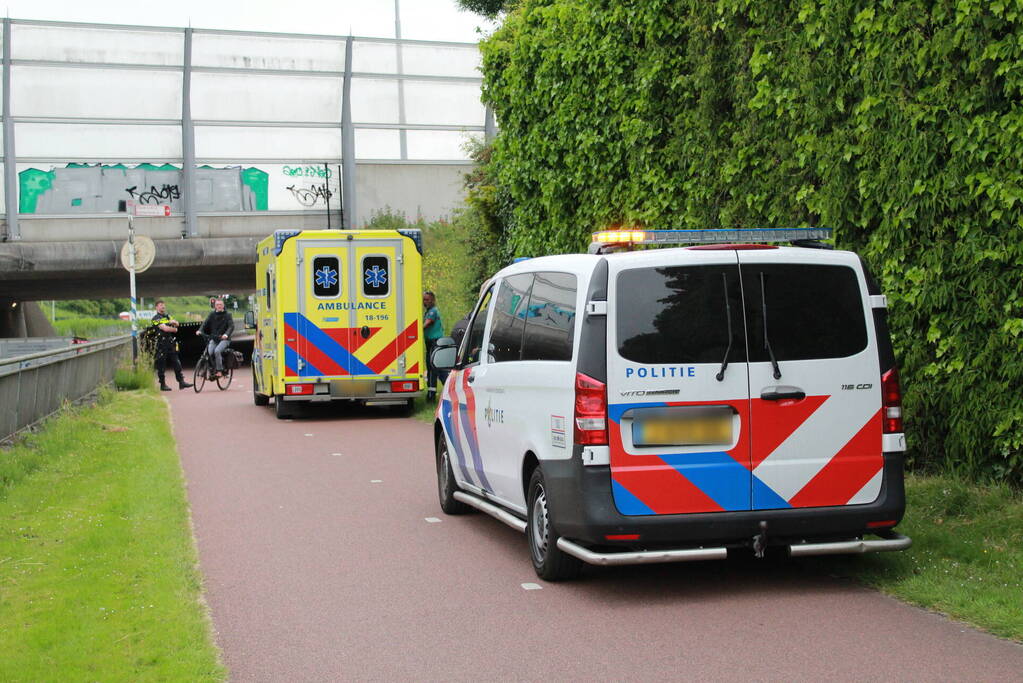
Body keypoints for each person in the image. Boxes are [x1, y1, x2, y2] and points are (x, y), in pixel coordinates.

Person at [151, 299, 192, 391]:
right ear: (157, 307)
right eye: (161, 305)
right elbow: (164, 328)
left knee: (176, 361)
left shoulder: (167, 316)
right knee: (161, 364)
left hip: (170, 342)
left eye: (164, 305)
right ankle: (163, 384)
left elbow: (177, 323)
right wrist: (173, 328)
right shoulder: (155, 318)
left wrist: (173, 323)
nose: (163, 306)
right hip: (161, 342)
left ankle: (181, 382)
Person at [198, 298, 234, 378]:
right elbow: (205, 323)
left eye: (220, 304)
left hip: (224, 339)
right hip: (214, 338)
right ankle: (212, 369)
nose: (219, 306)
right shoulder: (212, 314)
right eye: (217, 305)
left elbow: (231, 326)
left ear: (223, 305)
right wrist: (200, 330)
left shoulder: (228, 315)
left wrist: (226, 335)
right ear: (215, 306)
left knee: (217, 351)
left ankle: (220, 370)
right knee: (210, 352)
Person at [423, 290, 445, 399]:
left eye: (427, 299)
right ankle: (434, 391)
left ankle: (431, 395)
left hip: (434, 343)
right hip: (431, 343)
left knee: (433, 368)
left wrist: (416, 328)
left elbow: (427, 323)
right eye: (424, 299)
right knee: (434, 367)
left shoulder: (432, 311)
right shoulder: (428, 311)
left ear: (433, 300)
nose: (425, 302)